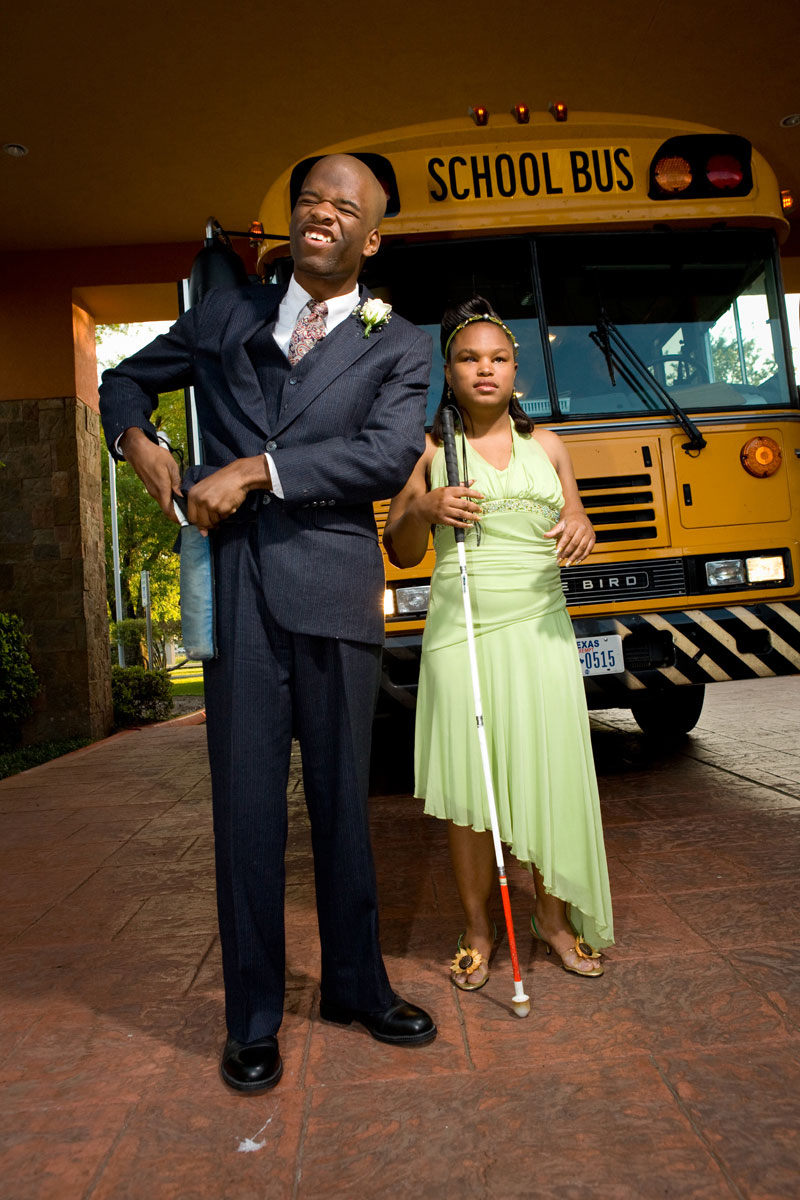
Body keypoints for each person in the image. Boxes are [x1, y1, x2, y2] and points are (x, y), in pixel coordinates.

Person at [99, 154, 437, 1093]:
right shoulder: (225, 314)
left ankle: (357, 987)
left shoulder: (402, 343)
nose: (323, 212)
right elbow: (122, 381)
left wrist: (253, 470)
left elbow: (383, 455)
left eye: (347, 206)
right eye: (311, 199)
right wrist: (143, 446)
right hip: (240, 594)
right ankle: (250, 1019)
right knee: (246, 811)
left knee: (343, 806)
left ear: (372, 237)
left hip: (333, 593)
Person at [383, 296, 613, 992]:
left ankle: (554, 918)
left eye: (499, 358)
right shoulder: (428, 452)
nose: (485, 369)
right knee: (472, 787)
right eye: (468, 358)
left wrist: (582, 524)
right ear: (448, 374)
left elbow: (575, 514)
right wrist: (423, 508)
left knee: (551, 776)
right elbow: (397, 546)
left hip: (542, 629)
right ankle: (479, 929)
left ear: (517, 372)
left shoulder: (549, 447)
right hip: (464, 636)